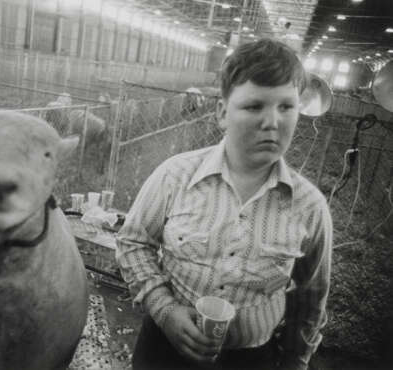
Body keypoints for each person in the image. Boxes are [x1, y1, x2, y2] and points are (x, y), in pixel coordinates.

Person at [116, 38, 332, 370]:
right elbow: (134, 242)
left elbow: (310, 299)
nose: (272, 122)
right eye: (254, 106)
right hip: (164, 348)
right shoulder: (176, 176)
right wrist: (165, 309)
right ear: (222, 113)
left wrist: (295, 362)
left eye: (286, 107)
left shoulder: (309, 207)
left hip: (252, 360)